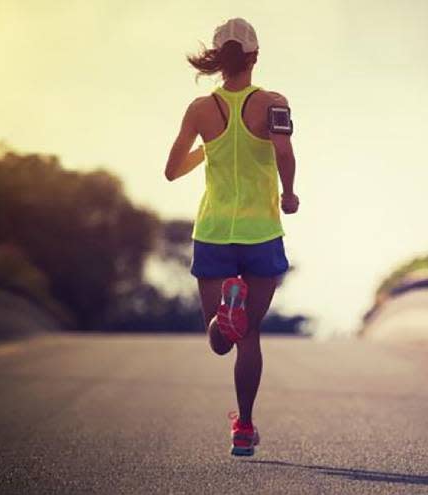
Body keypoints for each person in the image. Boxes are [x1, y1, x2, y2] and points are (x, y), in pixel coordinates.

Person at [164, 17, 299, 457]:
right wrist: (290, 193)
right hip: (261, 231)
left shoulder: (200, 110)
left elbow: (171, 170)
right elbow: (282, 151)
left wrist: (211, 146)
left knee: (221, 342)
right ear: (255, 56)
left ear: (218, 59)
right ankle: (244, 427)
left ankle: (225, 312)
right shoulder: (274, 102)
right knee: (251, 336)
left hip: (215, 232)